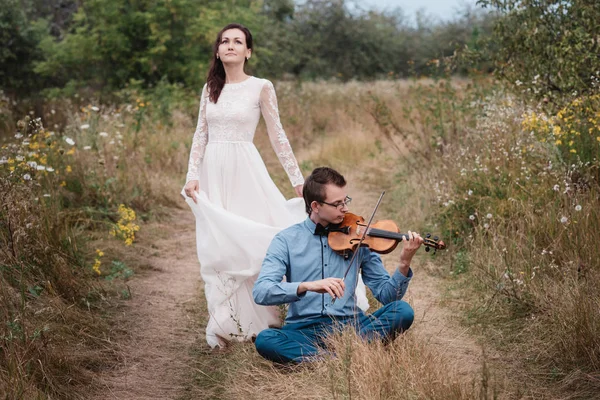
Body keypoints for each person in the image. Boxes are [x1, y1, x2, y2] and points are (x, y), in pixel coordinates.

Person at [181, 23, 307, 348]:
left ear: (248, 51)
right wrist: (192, 174)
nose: (231, 46)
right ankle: (226, 324)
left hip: (244, 168)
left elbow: (278, 136)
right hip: (213, 171)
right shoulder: (210, 88)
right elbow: (200, 134)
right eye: (225, 41)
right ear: (218, 50)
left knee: (250, 239)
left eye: (238, 42)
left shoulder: (261, 87)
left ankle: (260, 322)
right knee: (219, 245)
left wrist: (298, 181)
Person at [252, 167, 423, 364]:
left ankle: (321, 358)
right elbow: (261, 291)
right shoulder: (286, 240)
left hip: (352, 325)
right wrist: (307, 285)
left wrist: (404, 262)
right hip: (303, 329)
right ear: (315, 206)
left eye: (345, 201)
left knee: (402, 310)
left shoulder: (359, 237)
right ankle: (340, 358)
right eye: (336, 204)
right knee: (266, 340)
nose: (345, 209)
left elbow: (388, 296)